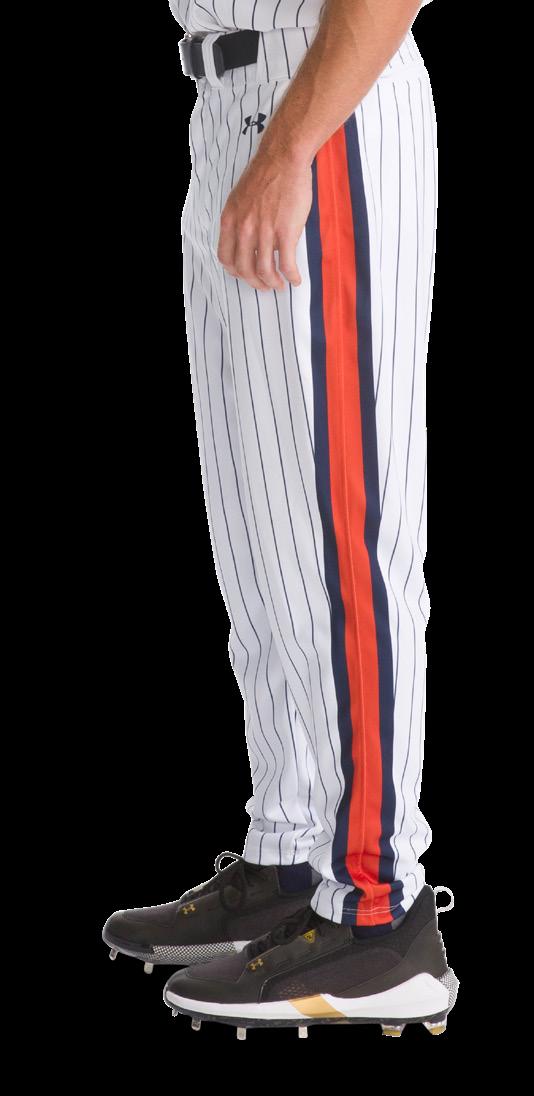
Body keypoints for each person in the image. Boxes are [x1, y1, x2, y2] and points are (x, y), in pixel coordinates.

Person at [103, 0, 459, 1037]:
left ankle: (381, 916)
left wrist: (294, 141)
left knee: (345, 541)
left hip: (323, 108)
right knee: (264, 546)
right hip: (231, 101)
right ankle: (294, 854)